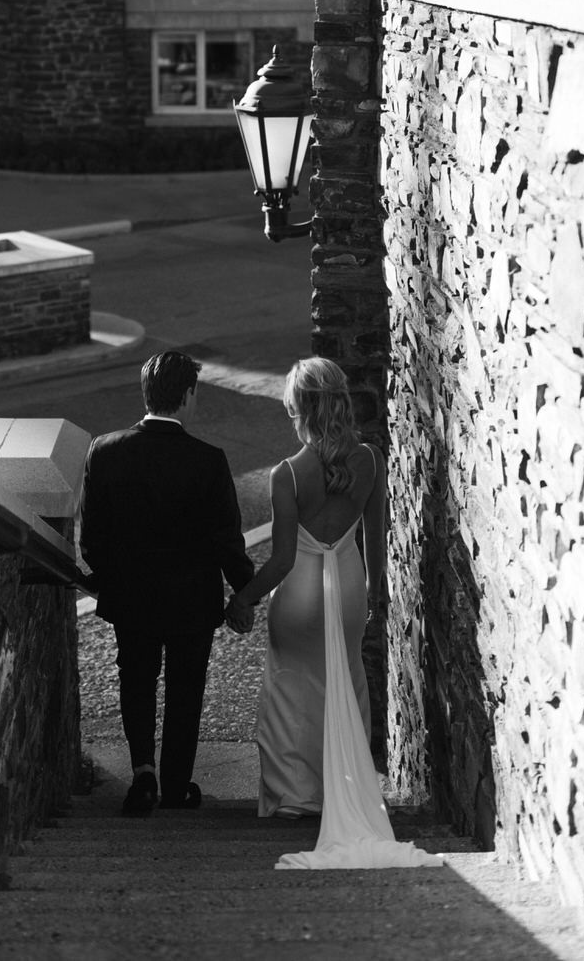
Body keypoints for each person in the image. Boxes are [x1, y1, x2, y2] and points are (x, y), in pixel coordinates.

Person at [226, 357, 442, 870]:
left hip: (298, 589)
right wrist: (377, 596)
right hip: (346, 586)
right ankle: (338, 790)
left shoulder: (287, 474)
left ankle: (294, 798)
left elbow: (280, 560)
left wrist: (243, 598)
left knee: (290, 688)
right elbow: (374, 542)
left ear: (301, 408)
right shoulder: (369, 461)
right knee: (342, 682)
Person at [79, 349, 255, 817]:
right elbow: (226, 541)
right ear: (188, 395)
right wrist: (246, 592)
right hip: (190, 600)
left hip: (131, 595)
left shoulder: (105, 450)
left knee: (135, 680)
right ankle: (176, 784)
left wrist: (105, 580)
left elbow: (92, 537)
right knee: (185, 687)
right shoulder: (208, 461)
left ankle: (142, 772)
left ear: (147, 393)